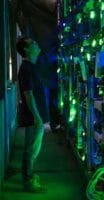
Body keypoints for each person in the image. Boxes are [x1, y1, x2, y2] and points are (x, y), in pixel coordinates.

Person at [17, 37, 49, 192]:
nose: (36, 43)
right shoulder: (26, 68)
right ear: (26, 50)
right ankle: (28, 181)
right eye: (32, 43)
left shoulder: (31, 67)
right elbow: (28, 94)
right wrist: (36, 116)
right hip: (33, 117)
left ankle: (30, 176)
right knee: (31, 149)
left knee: (33, 149)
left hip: (36, 116)